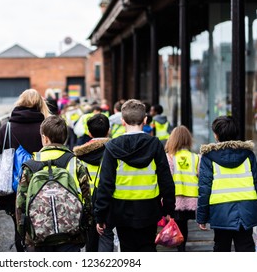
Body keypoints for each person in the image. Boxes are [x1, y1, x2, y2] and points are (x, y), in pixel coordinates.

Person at [94, 99, 176, 252]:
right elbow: (166, 179)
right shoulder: (155, 144)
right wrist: (169, 209)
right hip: (150, 209)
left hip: (121, 210)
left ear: (123, 121)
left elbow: (105, 184)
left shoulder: (112, 146)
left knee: (127, 251)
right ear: (145, 120)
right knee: (149, 248)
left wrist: (101, 214)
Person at [15, 115, 93, 252]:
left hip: (39, 235)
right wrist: (85, 227)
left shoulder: (30, 165)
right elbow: (87, 200)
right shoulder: (75, 163)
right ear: (65, 138)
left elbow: (20, 204)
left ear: (45, 138)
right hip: (71, 234)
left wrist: (25, 234)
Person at [0, 88, 51, 252]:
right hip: (42, 185)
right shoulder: (46, 126)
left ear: (19, 103)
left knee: (19, 227)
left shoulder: (7, 128)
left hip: (15, 188)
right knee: (41, 223)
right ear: (41, 104)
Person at [196, 116, 257, 252]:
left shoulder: (209, 157)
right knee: (246, 248)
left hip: (220, 212)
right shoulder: (248, 155)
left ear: (216, 135)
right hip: (247, 211)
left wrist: (202, 216)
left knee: (221, 249)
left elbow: (204, 189)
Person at [73, 113, 114, 252]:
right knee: (107, 239)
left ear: (89, 133)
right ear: (108, 130)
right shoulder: (115, 151)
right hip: (109, 203)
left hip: (87, 206)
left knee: (90, 244)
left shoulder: (78, 156)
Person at [165, 125, 199, 252]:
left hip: (175, 199)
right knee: (184, 225)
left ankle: (179, 248)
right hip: (191, 198)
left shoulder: (169, 157)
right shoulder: (195, 157)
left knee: (178, 224)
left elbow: (167, 180)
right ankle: (182, 248)